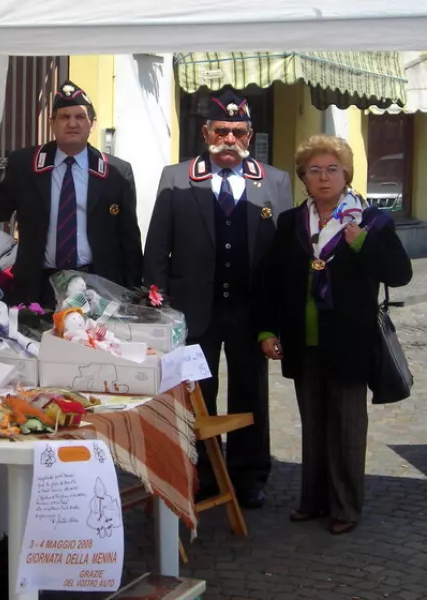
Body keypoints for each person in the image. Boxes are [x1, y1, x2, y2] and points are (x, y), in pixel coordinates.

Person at [144, 90, 293, 509]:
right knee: (197, 395)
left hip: (250, 309)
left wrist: (277, 317)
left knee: (250, 394)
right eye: (221, 130)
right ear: (206, 132)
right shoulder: (176, 177)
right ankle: (203, 472)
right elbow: (157, 247)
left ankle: (250, 475)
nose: (229, 139)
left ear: (250, 136)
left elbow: (283, 253)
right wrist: (158, 310)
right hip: (193, 309)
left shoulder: (275, 180)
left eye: (238, 132)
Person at [256, 134, 412, 534]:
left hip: (350, 340)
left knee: (346, 427)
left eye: (332, 170)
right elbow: (272, 281)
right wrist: (267, 328)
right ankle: (313, 500)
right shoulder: (292, 221)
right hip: (302, 339)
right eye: (314, 171)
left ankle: (345, 507)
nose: (323, 178)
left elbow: (399, 274)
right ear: (303, 178)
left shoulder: (370, 221)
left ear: (346, 175)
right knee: (313, 425)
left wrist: (362, 245)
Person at [0, 80, 143, 308]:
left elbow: (129, 237)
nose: (72, 123)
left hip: (97, 287)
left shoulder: (116, 172)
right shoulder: (25, 164)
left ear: (91, 123)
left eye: (80, 117)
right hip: (38, 286)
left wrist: (134, 294)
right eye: (64, 117)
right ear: (52, 123)